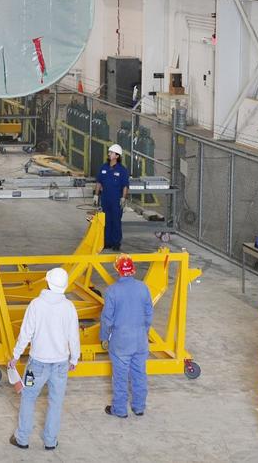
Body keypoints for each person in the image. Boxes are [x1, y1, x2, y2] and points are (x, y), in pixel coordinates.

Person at [9, 267, 80, 451]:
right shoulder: (69, 307)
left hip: (36, 365)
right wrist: (74, 358)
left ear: (47, 282)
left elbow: (25, 334)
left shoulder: (36, 305)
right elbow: (74, 336)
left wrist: (15, 356)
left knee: (28, 397)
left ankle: (22, 438)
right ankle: (50, 440)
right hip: (60, 365)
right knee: (56, 402)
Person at [101, 254, 154, 417]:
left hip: (121, 341)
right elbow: (149, 314)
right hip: (140, 340)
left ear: (117, 271)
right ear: (133, 270)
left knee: (120, 376)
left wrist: (104, 337)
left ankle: (120, 409)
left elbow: (107, 319)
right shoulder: (143, 287)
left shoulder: (112, 291)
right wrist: (143, 331)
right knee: (139, 374)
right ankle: (139, 407)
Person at [94, 144, 130, 251]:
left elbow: (125, 185)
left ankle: (116, 243)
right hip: (105, 199)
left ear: (117, 156)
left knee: (116, 221)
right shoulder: (103, 167)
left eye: (111, 152)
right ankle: (106, 242)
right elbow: (99, 182)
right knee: (106, 220)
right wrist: (96, 195)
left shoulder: (122, 170)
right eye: (109, 152)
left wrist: (123, 198)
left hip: (116, 200)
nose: (109, 154)